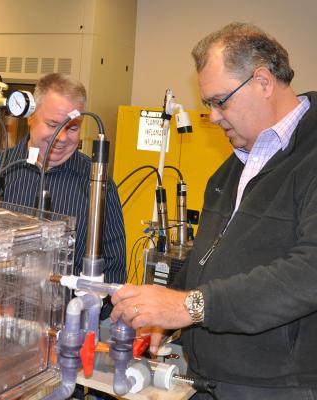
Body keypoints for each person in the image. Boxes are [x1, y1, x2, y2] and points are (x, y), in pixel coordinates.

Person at [111, 22, 317, 399]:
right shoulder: (231, 169)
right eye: (208, 105)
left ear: (264, 82)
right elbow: (208, 258)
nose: (215, 117)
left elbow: (310, 271)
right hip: (207, 379)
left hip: (278, 387)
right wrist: (165, 308)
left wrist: (188, 306)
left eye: (220, 101)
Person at [0, 72, 126, 285]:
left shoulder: (97, 184)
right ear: (30, 117)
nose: (61, 138)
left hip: (69, 314)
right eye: (52, 125)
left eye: (72, 127)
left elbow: (114, 272)